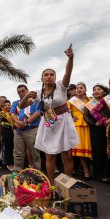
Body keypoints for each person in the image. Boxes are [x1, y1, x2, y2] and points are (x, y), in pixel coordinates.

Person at [20, 45, 78, 183]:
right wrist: (27, 94)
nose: (49, 76)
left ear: (55, 77)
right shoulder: (38, 93)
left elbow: (67, 73)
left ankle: (66, 185)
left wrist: (70, 58)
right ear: (42, 78)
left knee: (67, 156)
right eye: (46, 75)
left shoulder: (61, 86)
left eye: (52, 74)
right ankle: (51, 185)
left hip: (64, 121)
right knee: (50, 156)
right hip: (49, 124)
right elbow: (22, 105)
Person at [83, 84, 110, 182]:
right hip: (96, 129)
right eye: (94, 89)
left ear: (104, 91)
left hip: (109, 127)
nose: (96, 91)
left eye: (99, 89)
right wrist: (94, 123)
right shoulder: (90, 103)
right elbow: (86, 116)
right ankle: (101, 174)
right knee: (98, 151)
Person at [10, 85, 42, 172]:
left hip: (32, 129)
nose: (21, 93)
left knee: (34, 153)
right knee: (18, 152)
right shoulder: (16, 103)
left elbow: (38, 112)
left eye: (23, 91)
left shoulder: (35, 101)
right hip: (18, 131)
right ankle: (17, 172)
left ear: (27, 90)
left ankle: (37, 173)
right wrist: (17, 121)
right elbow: (12, 113)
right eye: (19, 92)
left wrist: (27, 122)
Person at [68, 82, 92, 180]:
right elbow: (66, 111)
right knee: (80, 149)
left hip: (89, 125)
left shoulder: (90, 100)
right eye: (77, 88)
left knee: (89, 148)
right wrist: (71, 117)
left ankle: (88, 169)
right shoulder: (71, 101)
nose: (79, 89)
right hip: (77, 125)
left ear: (85, 90)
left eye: (81, 88)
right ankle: (86, 170)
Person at [0, 100, 15, 171]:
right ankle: (9, 163)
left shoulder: (13, 113)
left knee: (14, 148)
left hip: (15, 132)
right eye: (6, 105)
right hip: (7, 132)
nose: (7, 106)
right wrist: (10, 126)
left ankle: (15, 162)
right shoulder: (2, 113)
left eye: (9, 105)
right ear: (4, 106)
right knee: (8, 148)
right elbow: (1, 123)